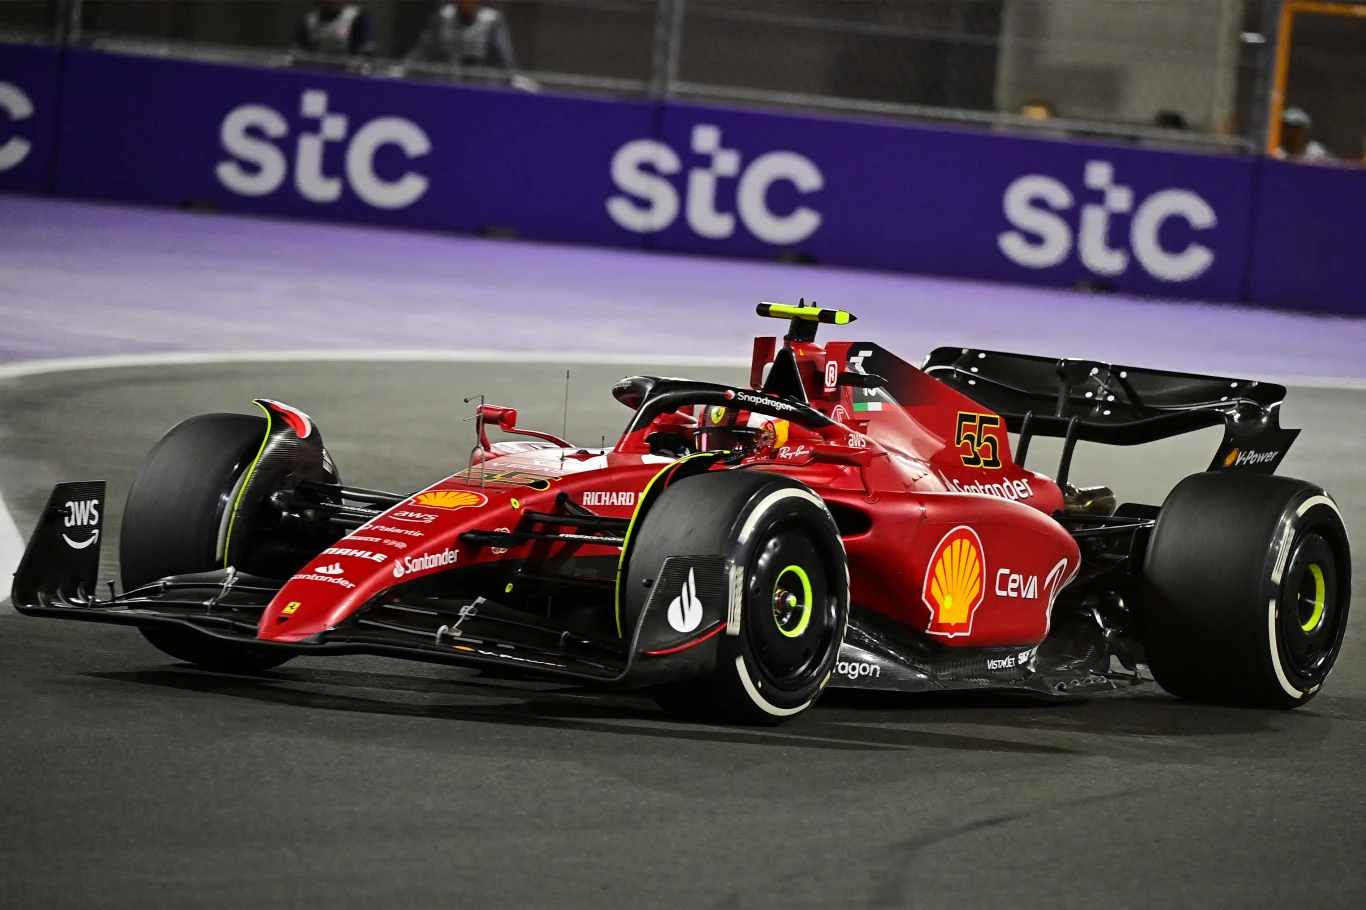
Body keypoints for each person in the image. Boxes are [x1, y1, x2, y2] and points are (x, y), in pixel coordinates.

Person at [406, 0, 517, 70]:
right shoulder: (443, 17)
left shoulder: (491, 21)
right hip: (444, 80)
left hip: (480, 84)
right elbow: (422, 52)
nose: (465, 2)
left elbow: (505, 62)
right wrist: (404, 68)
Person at [292, 0, 376, 58]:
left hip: (347, 73)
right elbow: (297, 51)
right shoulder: (309, 21)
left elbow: (367, 50)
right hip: (317, 71)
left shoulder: (356, 18)